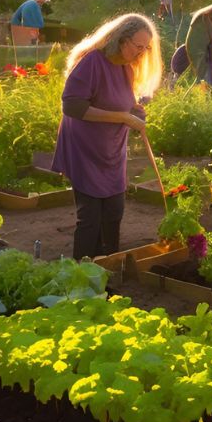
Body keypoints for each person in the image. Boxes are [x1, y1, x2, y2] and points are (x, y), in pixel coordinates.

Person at [51, 13, 162, 260]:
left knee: (114, 213)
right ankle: (82, 274)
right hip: (85, 149)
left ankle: (108, 267)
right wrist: (122, 117)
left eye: (146, 48)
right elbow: (73, 107)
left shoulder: (126, 68)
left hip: (111, 151)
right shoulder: (92, 62)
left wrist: (134, 111)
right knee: (90, 217)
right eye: (138, 46)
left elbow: (121, 103)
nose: (142, 53)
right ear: (122, 39)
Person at [175, 2, 212, 91]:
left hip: (201, 49)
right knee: (204, 75)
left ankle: (208, 91)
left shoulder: (207, 18)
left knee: (207, 75)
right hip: (198, 51)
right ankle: (207, 94)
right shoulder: (205, 20)